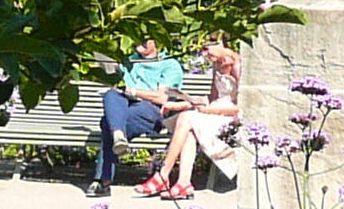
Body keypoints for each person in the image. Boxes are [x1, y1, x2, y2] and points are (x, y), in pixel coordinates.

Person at [144, 41, 242, 199]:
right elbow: (212, 98)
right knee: (188, 125)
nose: (204, 54)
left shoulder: (238, 66)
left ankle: (163, 175)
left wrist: (211, 110)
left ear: (220, 43)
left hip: (231, 116)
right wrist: (182, 103)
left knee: (186, 118)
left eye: (206, 49)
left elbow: (244, 107)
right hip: (213, 112)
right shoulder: (217, 64)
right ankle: (183, 183)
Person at [92, 39, 187, 196]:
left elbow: (162, 98)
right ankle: (118, 135)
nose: (139, 42)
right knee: (111, 94)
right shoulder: (128, 62)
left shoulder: (169, 64)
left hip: (151, 110)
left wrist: (133, 92)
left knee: (108, 122)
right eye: (136, 38)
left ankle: (103, 180)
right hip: (125, 107)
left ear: (156, 42)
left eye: (145, 39)